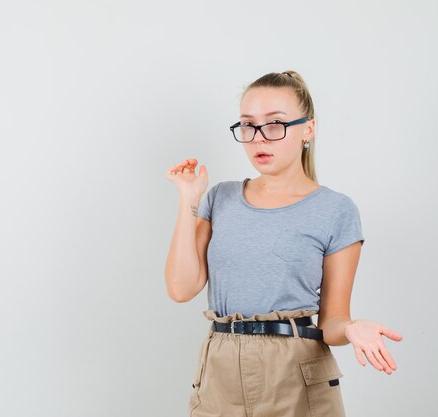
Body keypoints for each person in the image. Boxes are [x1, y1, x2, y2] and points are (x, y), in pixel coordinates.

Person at [165, 70, 403, 417]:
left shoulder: (335, 210)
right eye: (248, 125)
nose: (259, 138)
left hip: (295, 373)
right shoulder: (220, 198)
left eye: (275, 124)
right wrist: (189, 198)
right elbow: (181, 288)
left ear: (308, 128)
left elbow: (332, 322)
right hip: (219, 372)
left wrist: (351, 328)